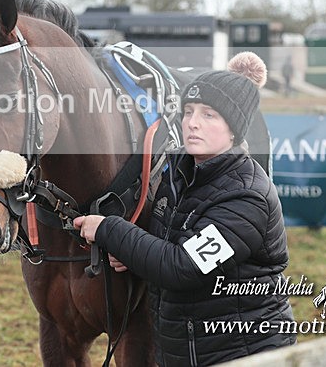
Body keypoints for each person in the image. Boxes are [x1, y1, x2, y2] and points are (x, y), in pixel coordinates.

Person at [74, 52, 296, 366]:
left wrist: (109, 229)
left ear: (234, 130)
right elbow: (170, 241)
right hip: (186, 352)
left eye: (209, 115)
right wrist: (132, 256)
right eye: (188, 111)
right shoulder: (178, 174)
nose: (192, 123)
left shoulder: (247, 198)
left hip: (243, 353)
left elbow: (183, 266)